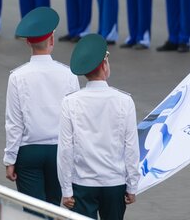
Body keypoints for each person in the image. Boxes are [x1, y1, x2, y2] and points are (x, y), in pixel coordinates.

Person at [58, 34, 140, 218]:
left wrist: (66, 188)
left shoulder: (70, 102)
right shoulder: (124, 101)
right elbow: (131, 148)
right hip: (114, 182)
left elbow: (65, 149)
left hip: (83, 182)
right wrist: (132, 184)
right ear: (104, 65)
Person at [5, 7, 79, 205]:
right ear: (52, 40)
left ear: (28, 42)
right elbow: (75, 121)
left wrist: (10, 159)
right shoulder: (69, 74)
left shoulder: (17, 77)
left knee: (34, 212)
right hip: (59, 151)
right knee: (56, 209)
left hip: (29, 151)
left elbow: (14, 123)